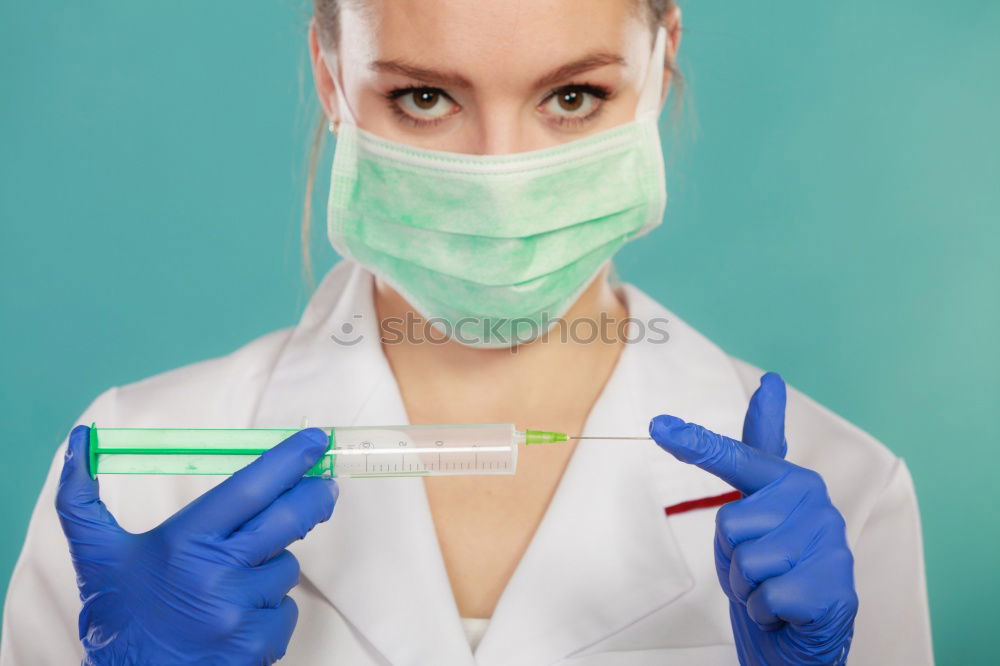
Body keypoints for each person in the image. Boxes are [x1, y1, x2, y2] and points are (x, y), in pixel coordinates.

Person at [0, 1, 933, 664]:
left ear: (659, 62)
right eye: (424, 97)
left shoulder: (839, 494)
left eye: (571, 97)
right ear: (332, 79)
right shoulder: (134, 469)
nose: (503, 176)